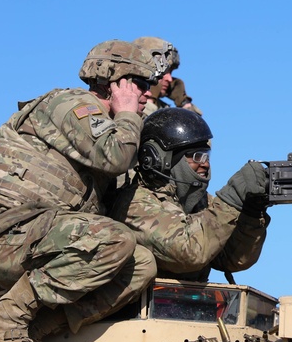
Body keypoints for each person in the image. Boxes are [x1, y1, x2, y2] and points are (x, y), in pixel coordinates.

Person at [0, 40, 160, 342]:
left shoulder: (102, 127)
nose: (147, 94)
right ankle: (5, 319)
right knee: (115, 240)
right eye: (140, 84)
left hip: (31, 238)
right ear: (115, 82)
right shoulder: (72, 105)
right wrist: (128, 112)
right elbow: (116, 156)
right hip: (2, 236)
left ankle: (28, 328)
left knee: (141, 263)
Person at [109, 108, 270, 283]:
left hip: (183, 307)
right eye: (196, 157)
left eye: (207, 156)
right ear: (159, 159)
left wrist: (251, 214)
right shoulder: (136, 204)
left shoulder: (201, 202)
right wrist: (231, 199)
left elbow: (231, 259)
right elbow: (189, 253)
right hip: (141, 308)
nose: (206, 164)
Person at [132, 36, 203, 116]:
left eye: (171, 72)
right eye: (164, 71)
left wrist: (184, 102)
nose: (169, 79)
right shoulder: (123, 101)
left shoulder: (162, 108)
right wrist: (149, 99)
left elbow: (194, 126)